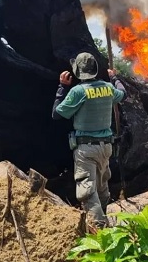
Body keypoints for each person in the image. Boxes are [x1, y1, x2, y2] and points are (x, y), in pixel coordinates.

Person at [52, 52, 126, 228]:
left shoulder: (78, 92)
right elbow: (123, 93)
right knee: (102, 188)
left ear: (77, 71)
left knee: (87, 191)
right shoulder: (108, 88)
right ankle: (105, 221)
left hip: (86, 149)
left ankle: (100, 231)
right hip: (106, 147)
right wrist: (114, 78)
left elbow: (57, 114)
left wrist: (62, 87)